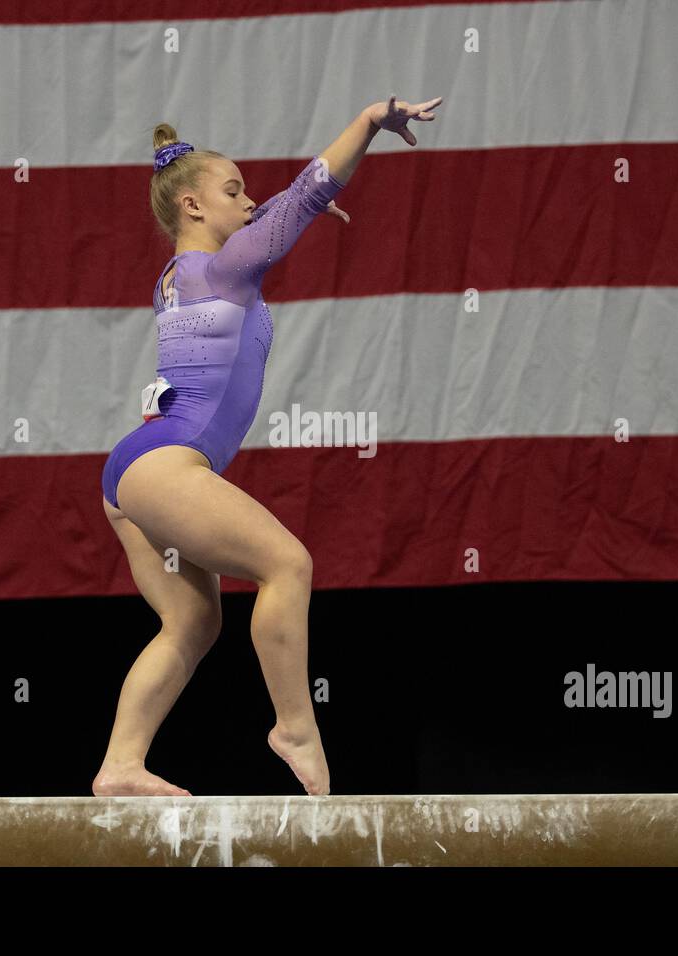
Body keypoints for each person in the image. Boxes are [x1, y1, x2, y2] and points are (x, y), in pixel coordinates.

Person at [95, 95, 443, 797]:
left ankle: (120, 766)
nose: (249, 200)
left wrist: (298, 219)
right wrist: (371, 119)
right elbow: (306, 191)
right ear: (192, 206)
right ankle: (293, 725)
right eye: (234, 191)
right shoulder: (218, 270)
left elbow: (286, 218)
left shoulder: (185, 278)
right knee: (287, 564)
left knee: (192, 622)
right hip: (166, 463)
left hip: (132, 478)